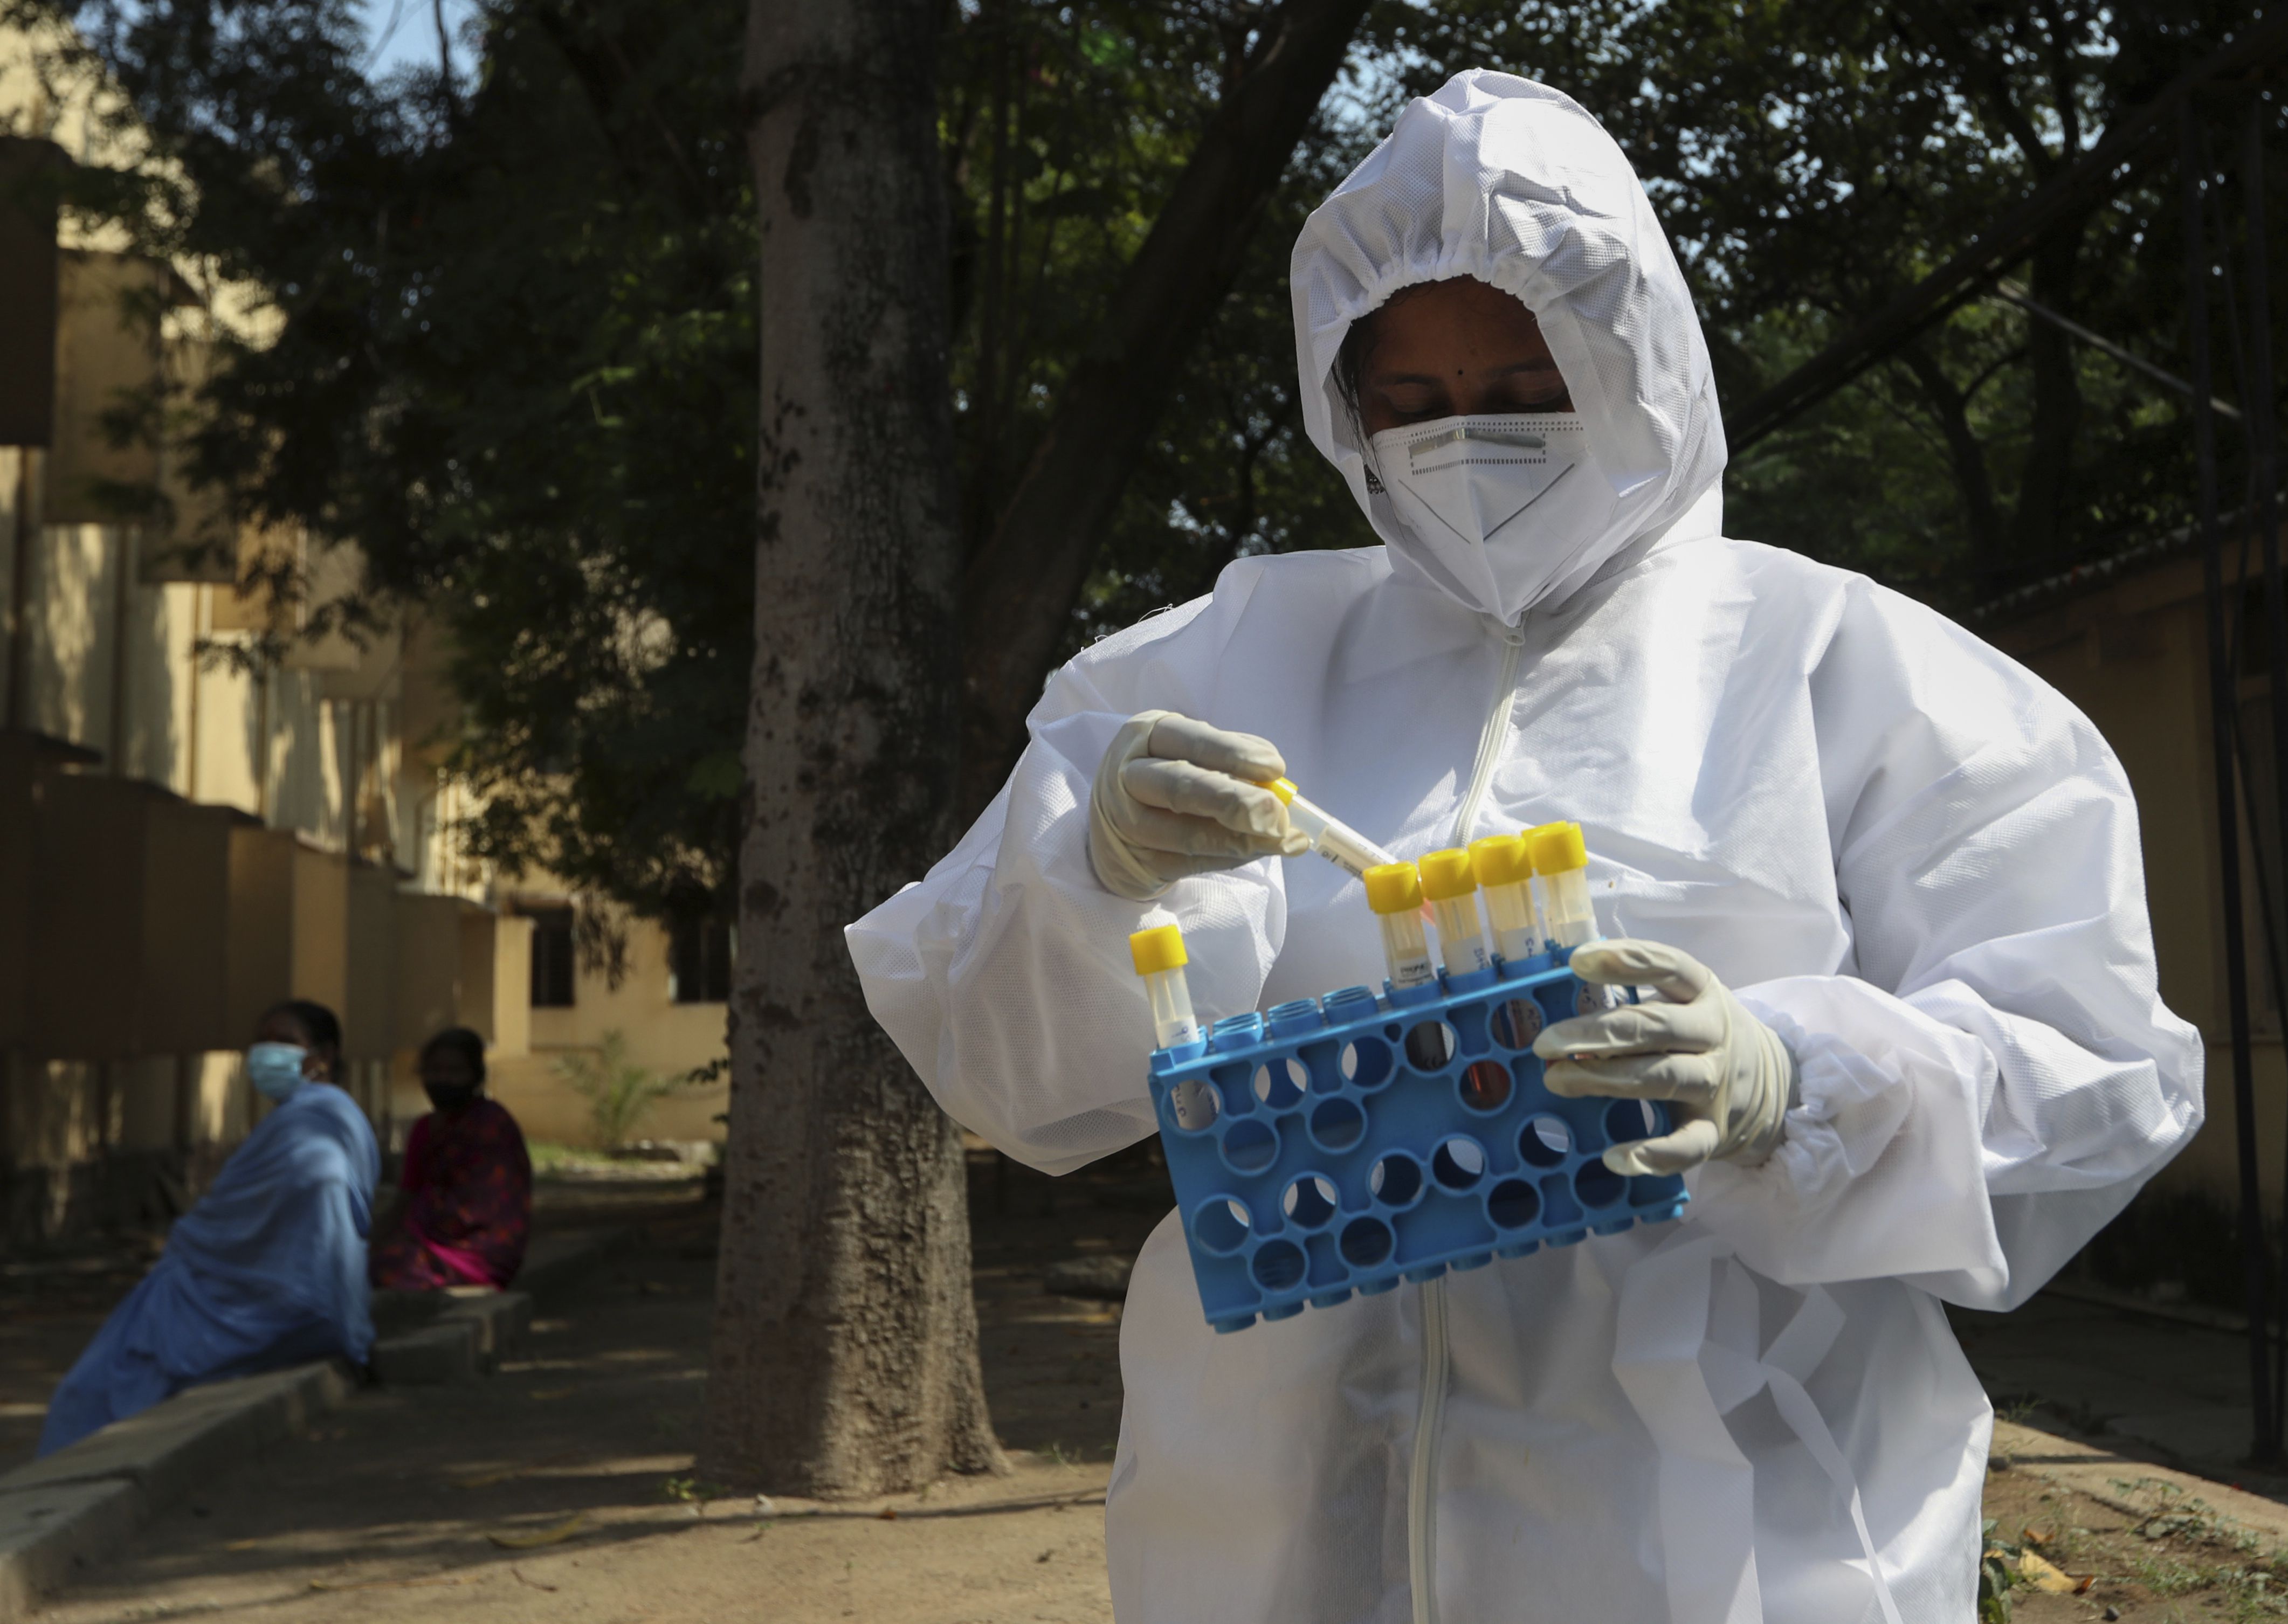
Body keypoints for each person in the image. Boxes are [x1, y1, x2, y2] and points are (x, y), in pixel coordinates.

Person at [847, 71, 2202, 1624]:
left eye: (1520, 385)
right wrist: (1089, 869)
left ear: (1632, 365)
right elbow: (1001, 1069)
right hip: (1279, 1525)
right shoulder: (1220, 661)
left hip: (1730, 1534)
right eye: (1409, 404)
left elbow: (2093, 1064)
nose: (1463, 439)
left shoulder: (1842, 663)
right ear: (1342, 404)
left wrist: (1791, 1080)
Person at [40, 1000, 377, 1455]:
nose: (265, 1052)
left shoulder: (312, 1120)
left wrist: (196, 1242)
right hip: (301, 1298)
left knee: (105, 1380)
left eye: (283, 1041)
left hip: (265, 1300)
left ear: (324, 1055)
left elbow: (297, 1202)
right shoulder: (326, 1117)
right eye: (260, 1041)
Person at [369, 1026, 532, 1291]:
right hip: (424, 1243)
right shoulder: (425, 1128)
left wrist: (423, 1227)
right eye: (434, 1071)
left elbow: (487, 1203)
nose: (443, 1079)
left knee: (388, 1271)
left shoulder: (492, 1125)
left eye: (455, 1072)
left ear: (475, 1076)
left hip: (480, 1252)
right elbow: (407, 1196)